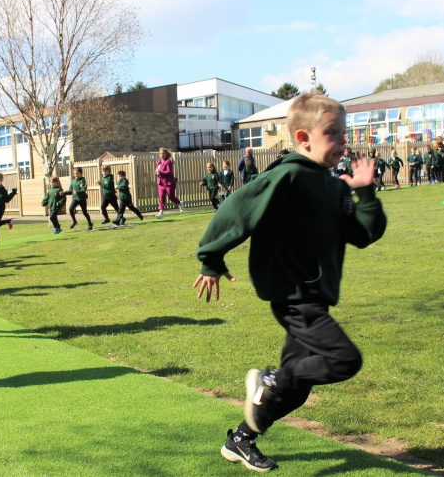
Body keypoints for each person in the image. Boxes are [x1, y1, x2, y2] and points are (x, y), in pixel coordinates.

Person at [192, 92, 386, 473]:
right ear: (303, 138)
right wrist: (211, 259)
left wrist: (365, 192)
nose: (343, 140)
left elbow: (364, 234)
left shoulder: (335, 187)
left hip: (314, 297)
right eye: (333, 132)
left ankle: (240, 440)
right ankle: (270, 378)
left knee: (296, 391)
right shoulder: (288, 176)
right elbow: (236, 209)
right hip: (295, 298)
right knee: (344, 360)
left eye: (344, 132)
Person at [155, 148, 184, 219]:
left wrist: (160, 171)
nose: (162, 155)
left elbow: (169, 172)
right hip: (161, 182)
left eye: (163, 153)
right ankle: (161, 213)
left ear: (166, 154)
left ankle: (180, 203)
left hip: (169, 182)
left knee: (171, 197)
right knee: (161, 197)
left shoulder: (168, 162)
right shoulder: (158, 162)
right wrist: (157, 173)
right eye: (161, 153)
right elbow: (156, 171)